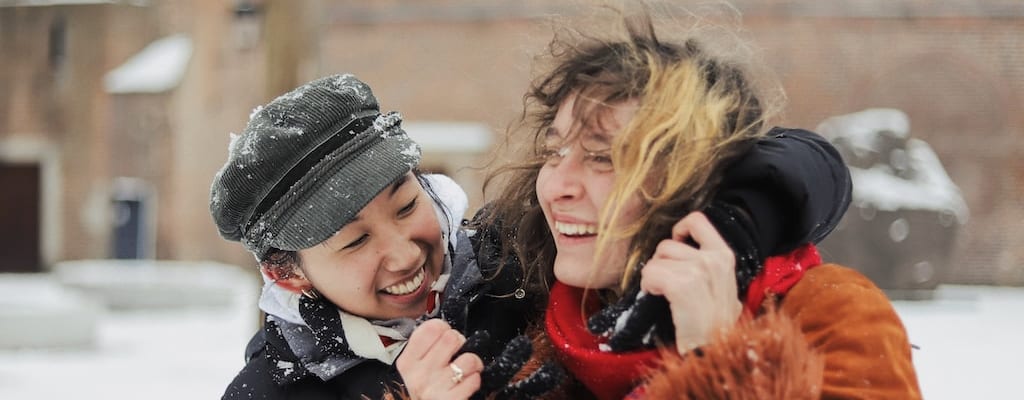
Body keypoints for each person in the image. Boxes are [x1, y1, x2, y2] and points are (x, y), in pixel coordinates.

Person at [399, 11, 921, 400]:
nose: (557, 185)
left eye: (603, 158)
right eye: (555, 151)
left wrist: (718, 362)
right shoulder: (526, 325)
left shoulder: (828, 316)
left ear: (693, 178)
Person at [212, 74, 536, 400]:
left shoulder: (528, 266)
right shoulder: (263, 394)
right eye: (357, 240)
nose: (406, 256)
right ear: (286, 275)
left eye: (407, 206)